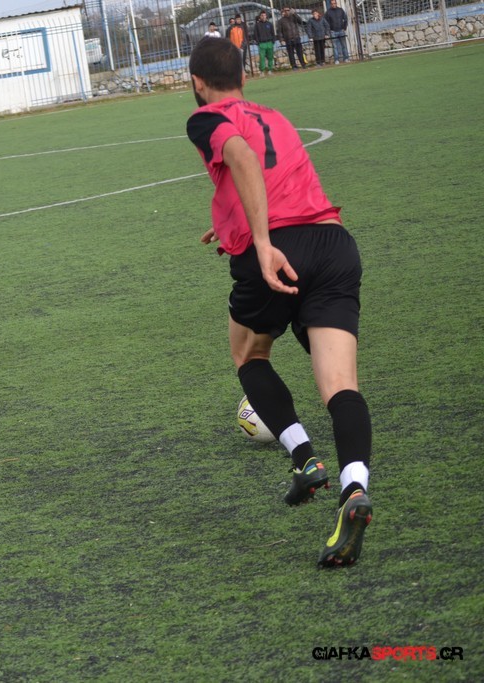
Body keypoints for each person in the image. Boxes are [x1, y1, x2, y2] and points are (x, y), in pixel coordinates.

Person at [185, 38, 373, 567]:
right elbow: (276, 177)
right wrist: (230, 221)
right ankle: (354, 488)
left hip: (277, 249)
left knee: (248, 354)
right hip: (333, 244)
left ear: (196, 82)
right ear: (244, 76)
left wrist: (262, 242)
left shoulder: (207, 117)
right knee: (340, 384)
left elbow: (243, 158)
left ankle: (306, 459)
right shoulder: (275, 115)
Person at [252, 11, 276, 77]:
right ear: (260, 16)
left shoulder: (269, 24)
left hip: (269, 43)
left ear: (266, 16)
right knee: (262, 58)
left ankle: (270, 70)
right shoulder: (257, 25)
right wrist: (258, 42)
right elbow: (255, 35)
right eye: (262, 15)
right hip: (262, 43)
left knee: (270, 57)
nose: (263, 16)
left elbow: (273, 33)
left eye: (264, 15)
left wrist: (273, 41)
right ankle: (262, 71)